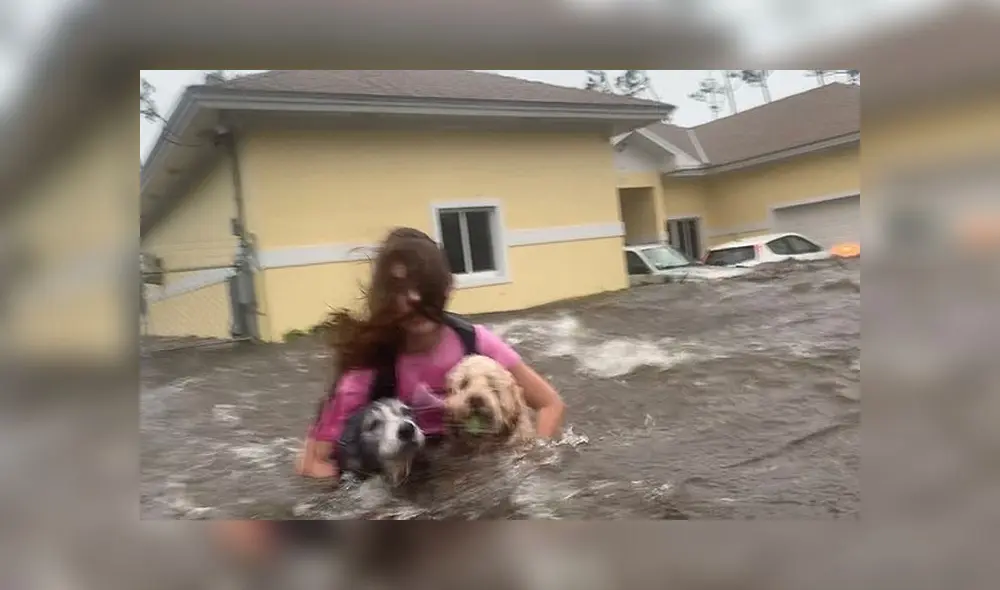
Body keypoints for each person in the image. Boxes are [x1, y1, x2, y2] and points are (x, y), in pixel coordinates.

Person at [295, 226, 566, 481]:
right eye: (399, 289)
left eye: (424, 285)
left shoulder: (475, 341)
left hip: (470, 468)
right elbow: (313, 464)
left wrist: (530, 463)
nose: (414, 298)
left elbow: (549, 404)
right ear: (385, 298)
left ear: (447, 287)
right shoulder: (367, 369)